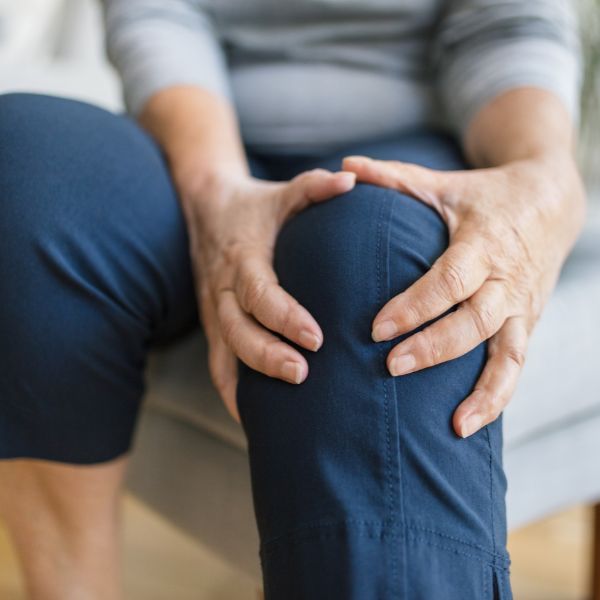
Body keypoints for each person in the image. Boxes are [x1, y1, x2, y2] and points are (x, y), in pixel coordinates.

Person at [0, 0, 587, 598]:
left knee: (371, 278)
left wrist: (541, 171)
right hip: (193, 140)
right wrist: (214, 187)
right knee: (24, 173)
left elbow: (507, 22)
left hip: (404, 154)